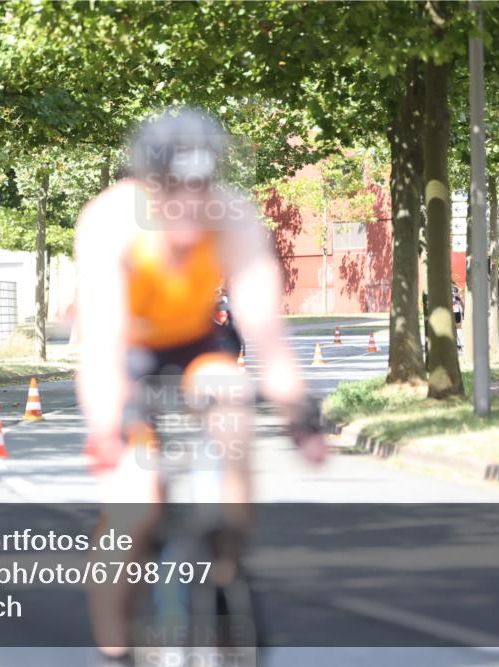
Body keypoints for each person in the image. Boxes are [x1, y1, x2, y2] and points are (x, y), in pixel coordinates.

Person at [74, 107, 325, 663]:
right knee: (134, 510)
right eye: (173, 188)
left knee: (233, 406)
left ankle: (225, 562)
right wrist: (107, 429)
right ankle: (115, 647)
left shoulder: (233, 220)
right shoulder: (112, 223)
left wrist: (299, 412)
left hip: (197, 347)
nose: (189, 201)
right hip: (130, 352)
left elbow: (265, 331)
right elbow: (102, 342)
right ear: (147, 182)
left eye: (201, 184)